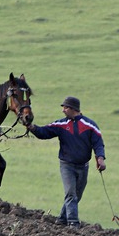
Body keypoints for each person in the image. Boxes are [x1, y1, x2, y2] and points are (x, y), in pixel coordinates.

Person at [27, 96, 106, 229]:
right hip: (66, 165)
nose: (63, 110)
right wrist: (32, 127)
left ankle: (62, 219)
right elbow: (43, 132)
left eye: (65, 107)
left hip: (83, 167)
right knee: (71, 193)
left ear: (73, 109)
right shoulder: (61, 125)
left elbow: (98, 144)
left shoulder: (90, 126)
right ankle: (73, 223)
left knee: (76, 195)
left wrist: (100, 158)